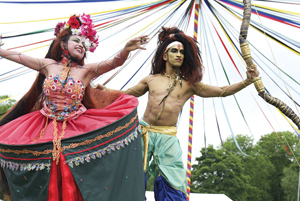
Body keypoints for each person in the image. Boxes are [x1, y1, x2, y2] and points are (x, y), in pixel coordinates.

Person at [98, 26, 259, 201]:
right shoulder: (151, 79)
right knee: (132, 175)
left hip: (168, 137)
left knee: (174, 180)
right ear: (165, 56)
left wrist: (247, 81)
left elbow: (222, 90)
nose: (179, 54)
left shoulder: (190, 84)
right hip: (143, 134)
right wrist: (105, 90)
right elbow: (127, 93)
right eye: (174, 50)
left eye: (182, 52)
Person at [0, 13, 149, 201]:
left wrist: (126, 49)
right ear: (63, 44)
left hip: (75, 127)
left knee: (68, 166)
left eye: (84, 44)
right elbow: (18, 57)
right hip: (45, 126)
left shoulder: (86, 72)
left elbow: (113, 63)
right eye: (76, 40)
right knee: (48, 169)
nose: (81, 45)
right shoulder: (48, 65)